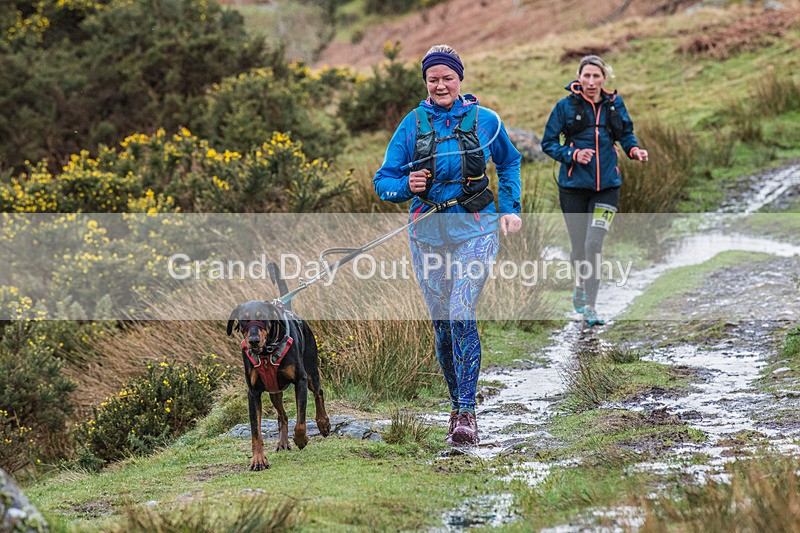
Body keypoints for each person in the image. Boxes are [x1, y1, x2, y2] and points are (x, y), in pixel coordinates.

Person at [373, 44, 522, 446]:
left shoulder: (486, 121)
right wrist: (407, 186)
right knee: (442, 326)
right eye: (433, 79)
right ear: (426, 82)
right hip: (427, 235)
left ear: (460, 80)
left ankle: (468, 413)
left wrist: (510, 208)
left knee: (461, 312)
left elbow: (509, 161)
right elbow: (383, 181)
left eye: (447, 78)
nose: (440, 85)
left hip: (477, 228)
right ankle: (455, 404)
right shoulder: (412, 125)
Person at [541, 55, 648, 327]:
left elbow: (626, 133)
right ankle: (580, 284)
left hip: (608, 187)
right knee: (578, 247)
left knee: (594, 244)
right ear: (579, 78)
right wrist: (573, 154)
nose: (590, 82)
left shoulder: (614, 105)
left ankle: (591, 305)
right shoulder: (565, 107)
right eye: (586, 76)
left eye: (596, 76)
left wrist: (634, 150)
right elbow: (548, 143)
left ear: (604, 78)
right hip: (573, 188)